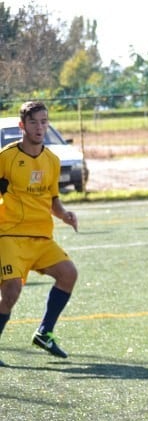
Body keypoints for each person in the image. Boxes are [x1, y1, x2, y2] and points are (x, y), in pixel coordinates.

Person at [0, 101, 80, 361]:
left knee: (68, 274)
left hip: (41, 236)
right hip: (10, 235)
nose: (39, 127)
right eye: (33, 122)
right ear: (22, 126)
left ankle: (44, 333)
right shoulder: (6, 157)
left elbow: (53, 199)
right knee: (11, 291)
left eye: (44, 122)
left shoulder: (52, 161)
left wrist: (65, 214)